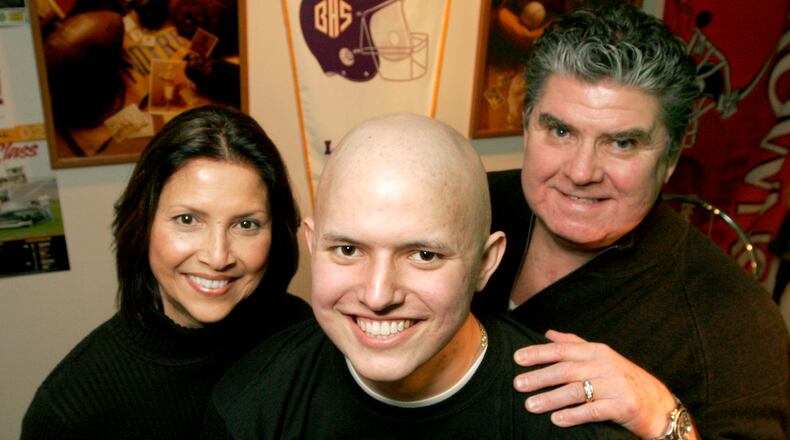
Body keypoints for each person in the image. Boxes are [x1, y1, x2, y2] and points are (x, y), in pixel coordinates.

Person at [203, 113, 634, 439]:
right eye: (348, 250)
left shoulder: (571, 417)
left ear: (486, 263)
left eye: (423, 255)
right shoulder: (250, 405)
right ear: (314, 247)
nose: (377, 296)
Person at [472, 3, 790, 439]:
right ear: (527, 128)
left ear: (671, 158)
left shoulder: (732, 321)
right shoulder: (465, 205)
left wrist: (663, 416)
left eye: (622, 143)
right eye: (561, 132)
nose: (582, 171)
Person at [21, 105, 312, 439]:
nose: (217, 257)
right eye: (187, 220)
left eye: (246, 224)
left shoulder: (301, 337)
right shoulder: (71, 409)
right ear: (142, 223)